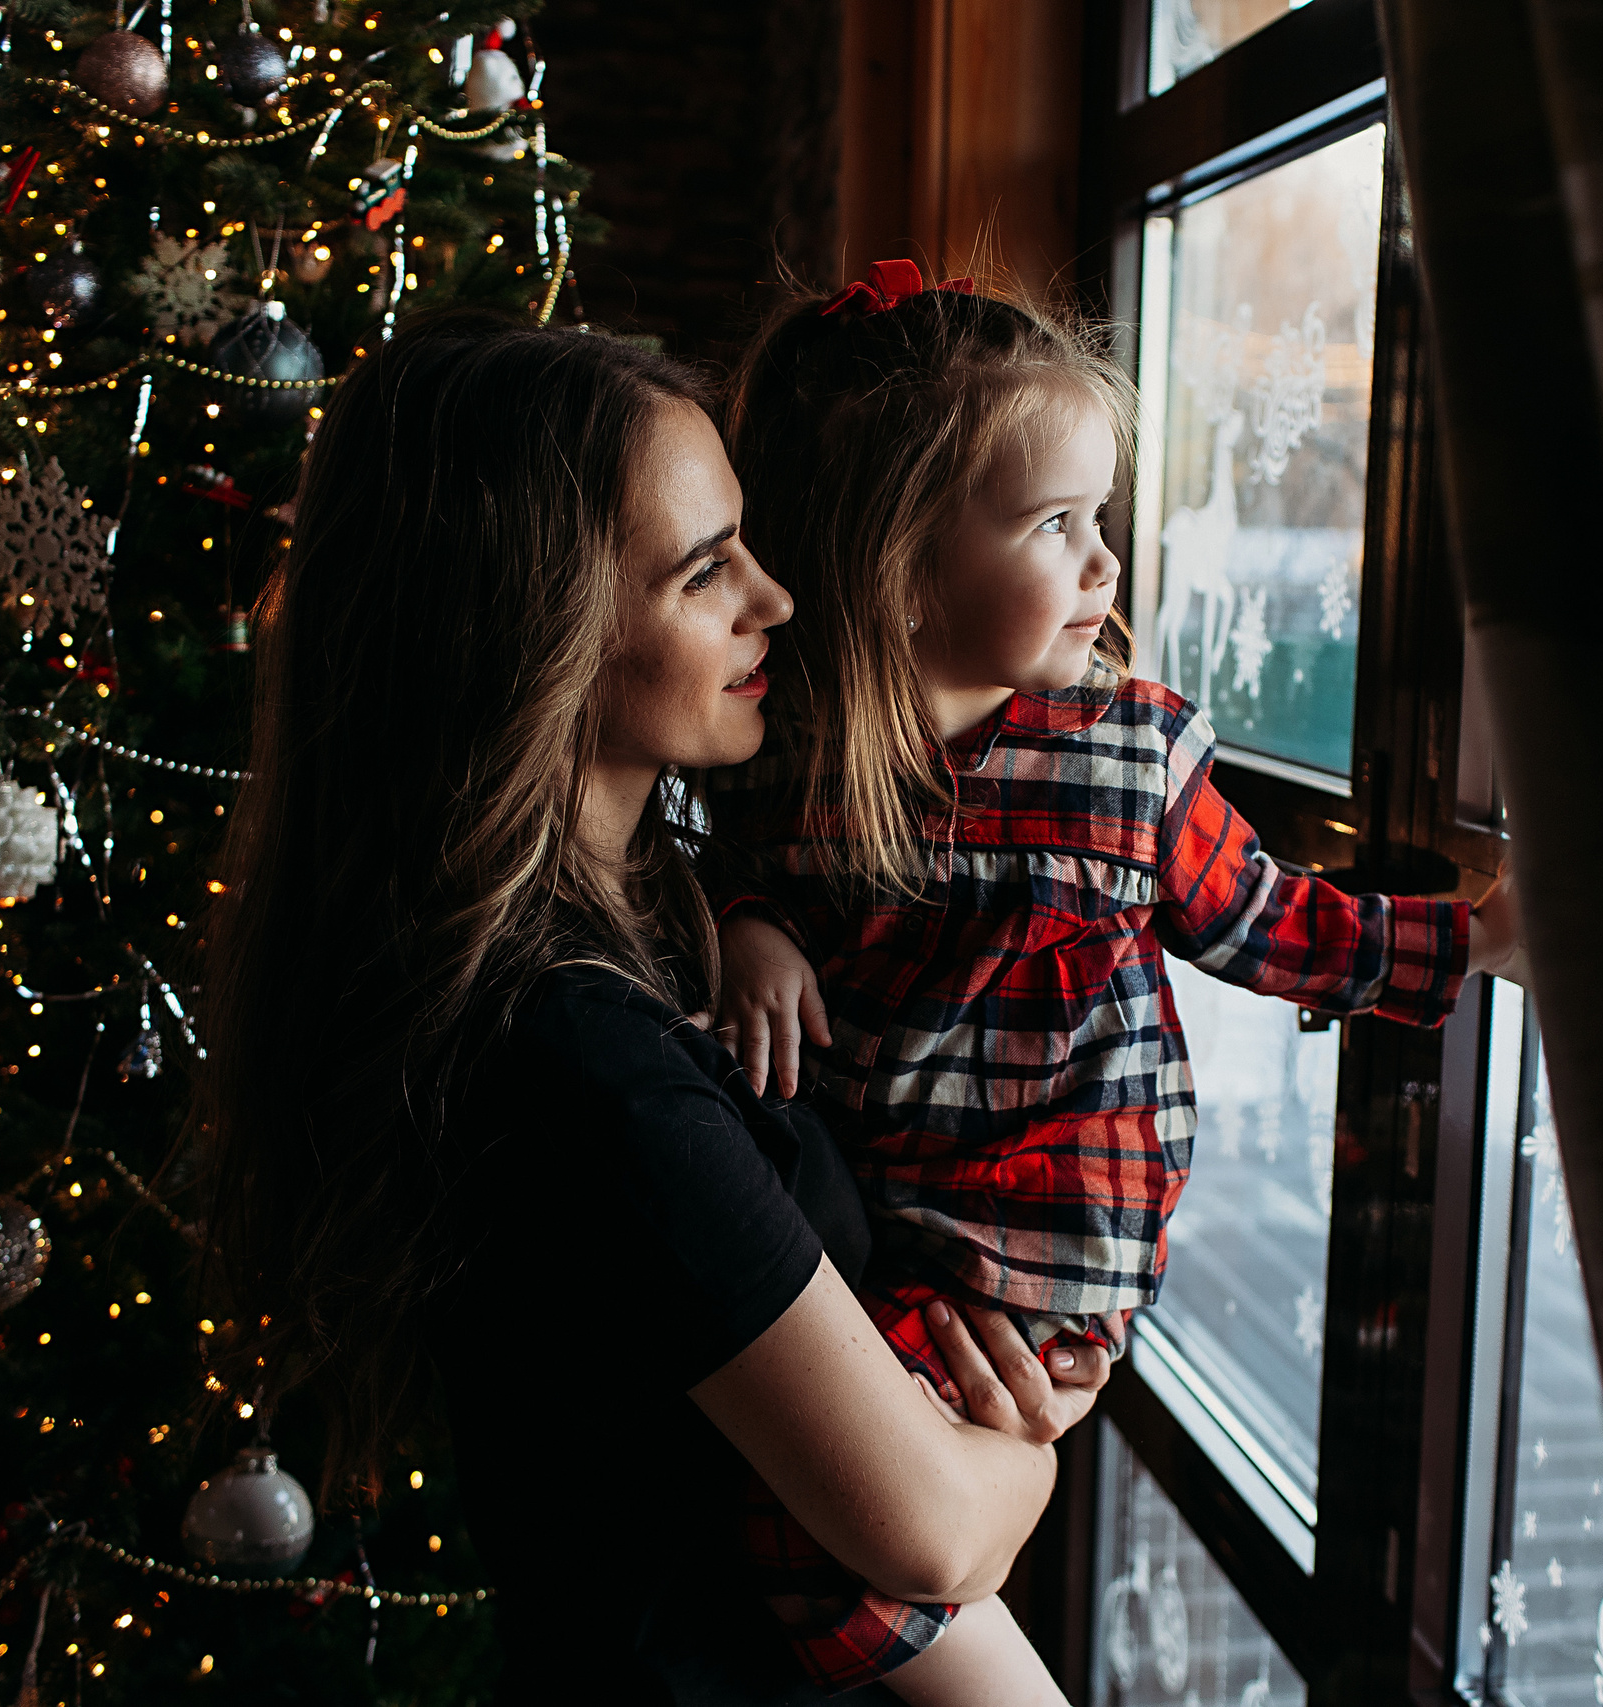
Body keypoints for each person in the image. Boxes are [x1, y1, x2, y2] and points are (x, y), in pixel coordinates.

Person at [190, 310, 1109, 1704]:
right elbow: (931, 1532)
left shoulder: (670, 925)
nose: (776, 600)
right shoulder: (578, 1055)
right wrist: (1039, 1429)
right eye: (703, 573)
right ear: (530, 628)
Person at [702, 262, 1525, 1701]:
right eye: (1056, 526)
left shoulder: (1128, 753)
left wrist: (1469, 940)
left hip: (1047, 1237)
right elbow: (730, 870)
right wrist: (754, 926)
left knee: (820, 1549)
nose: (1107, 565)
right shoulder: (797, 760)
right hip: (879, 1219)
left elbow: (1273, 923)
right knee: (820, 1515)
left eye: (1102, 520)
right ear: (902, 569)